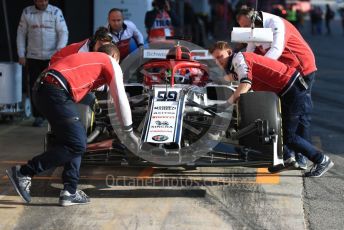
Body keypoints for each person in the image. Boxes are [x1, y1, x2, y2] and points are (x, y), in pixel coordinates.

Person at [6, 44, 139, 206]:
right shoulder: (110, 62)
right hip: (54, 90)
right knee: (78, 144)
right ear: (115, 58)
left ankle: (70, 191)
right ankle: (24, 172)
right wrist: (129, 131)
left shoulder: (90, 61)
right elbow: (120, 97)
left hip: (43, 89)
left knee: (75, 140)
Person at [209, 42, 334, 178]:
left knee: (288, 136)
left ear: (228, 52)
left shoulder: (240, 59)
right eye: (215, 59)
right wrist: (210, 81)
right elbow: (232, 78)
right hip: (287, 90)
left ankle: (321, 160)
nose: (218, 61)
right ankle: (286, 159)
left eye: (220, 56)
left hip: (292, 89)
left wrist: (225, 105)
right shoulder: (236, 64)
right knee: (275, 126)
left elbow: (245, 83)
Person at [236, 7, 317, 170]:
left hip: (302, 69)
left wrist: (260, 68)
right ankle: (288, 155)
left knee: (301, 114)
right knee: (280, 113)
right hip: (283, 72)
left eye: (246, 27)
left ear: (256, 20)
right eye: (241, 27)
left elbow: (276, 50)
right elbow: (249, 53)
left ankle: (302, 156)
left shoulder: (276, 23)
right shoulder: (254, 28)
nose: (244, 31)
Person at [17, 0, 68, 127]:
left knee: (52, 87)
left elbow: (63, 32)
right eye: (40, 0)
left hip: (51, 57)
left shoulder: (56, 12)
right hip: (33, 57)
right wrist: (21, 54)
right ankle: (38, 116)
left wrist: (59, 51)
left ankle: (53, 115)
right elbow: (21, 34)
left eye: (45, 0)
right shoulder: (27, 12)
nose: (43, 3)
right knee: (36, 87)